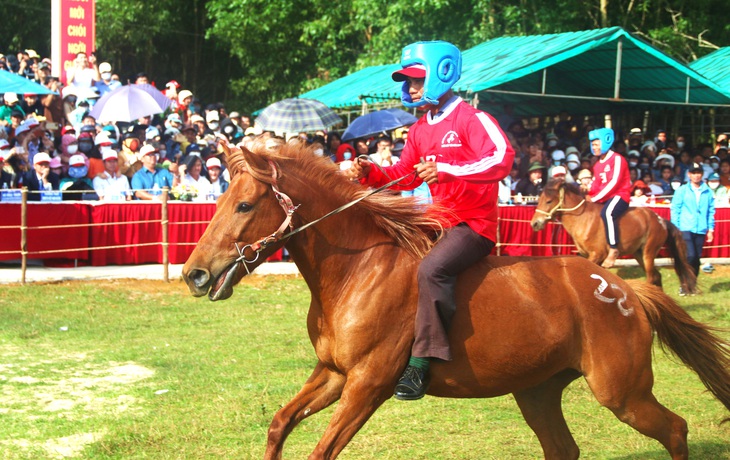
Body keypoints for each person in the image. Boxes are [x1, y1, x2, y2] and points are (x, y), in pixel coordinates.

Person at [345, 40, 514, 401]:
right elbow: (405, 176)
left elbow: (502, 159)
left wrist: (447, 169)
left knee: (432, 269)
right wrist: (370, 171)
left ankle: (422, 364)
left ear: (443, 74)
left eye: (416, 79)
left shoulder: (473, 118)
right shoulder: (420, 128)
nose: (409, 87)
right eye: (405, 81)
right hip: (437, 223)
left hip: (473, 226)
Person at [588, 127, 632, 268]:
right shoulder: (597, 164)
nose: (594, 147)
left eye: (596, 144)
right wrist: (588, 194)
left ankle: (613, 248)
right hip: (604, 197)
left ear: (605, 142)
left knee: (607, 213)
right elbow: (596, 184)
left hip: (620, 195)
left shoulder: (618, 159)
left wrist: (595, 198)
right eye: (593, 145)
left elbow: (614, 183)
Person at [670, 162, 715, 295]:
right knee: (690, 255)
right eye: (694, 173)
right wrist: (676, 228)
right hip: (685, 227)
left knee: (697, 258)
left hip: (700, 227)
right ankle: (684, 283)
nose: (696, 176)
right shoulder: (682, 190)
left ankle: (692, 285)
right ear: (689, 175)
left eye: (699, 173)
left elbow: (711, 211)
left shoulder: (707, 191)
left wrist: (711, 229)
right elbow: (675, 209)